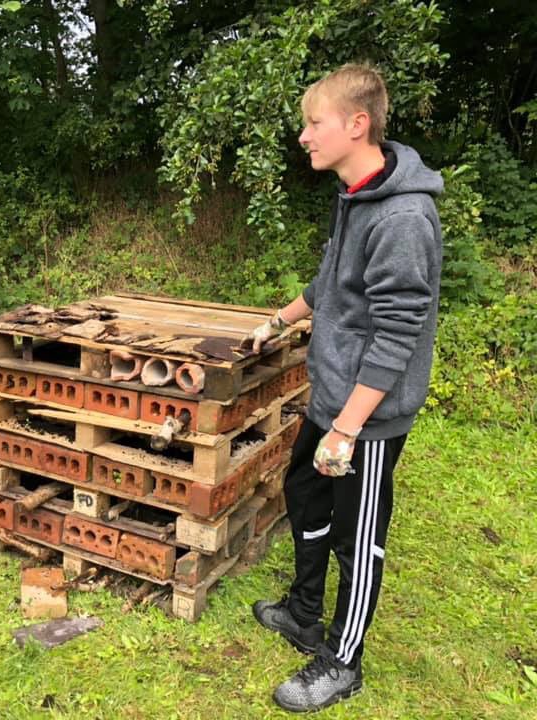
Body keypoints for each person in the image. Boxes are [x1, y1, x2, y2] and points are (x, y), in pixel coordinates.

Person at [247, 64, 443, 712]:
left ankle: (342, 660)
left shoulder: (404, 218)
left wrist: (348, 428)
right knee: (304, 497)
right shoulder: (355, 195)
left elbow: (396, 335)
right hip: (331, 397)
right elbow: (331, 280)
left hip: (367, 417)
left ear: (357, 124)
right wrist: (279, 321)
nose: (304, 136)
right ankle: (304, 613)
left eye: (313, 123)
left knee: (358, 537)